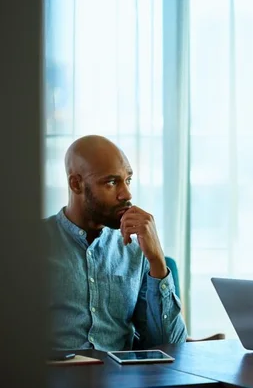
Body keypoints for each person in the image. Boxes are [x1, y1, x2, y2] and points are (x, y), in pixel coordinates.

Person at [45, 135, 187, 351]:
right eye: (112, 182)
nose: (127, 193)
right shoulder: (29, 243)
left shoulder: (135, 248)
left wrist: (157, 260)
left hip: (121, 380)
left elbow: (171, 345)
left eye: (128, 180)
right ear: (76, 184)